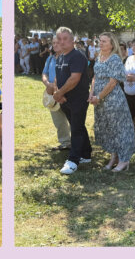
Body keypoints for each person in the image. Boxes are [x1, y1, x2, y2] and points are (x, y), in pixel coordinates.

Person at [89, 32, 135, 172]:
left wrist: (99, 96)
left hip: (113, 100)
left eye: (104, 41)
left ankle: (124, 160)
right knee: (109, 129)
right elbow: (95, 77)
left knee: (119, 129)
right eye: (100, 41)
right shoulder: (99, 57)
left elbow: (112, 82)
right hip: (100, 100)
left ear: (112, 44)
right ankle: (114, 157)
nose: (100, 43)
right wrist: (91, 94)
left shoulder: (114, 58)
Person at [51, 27, 94, 174]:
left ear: (72, 40)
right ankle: (86, 154)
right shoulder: (60, 57)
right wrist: (58, 93)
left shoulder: (77, 56)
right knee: (78, 126)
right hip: (64, 100)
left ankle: (73, 160)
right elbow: (58, 77)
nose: (62, 42)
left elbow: (74, 79)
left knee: (75, 129)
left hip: (78, 99)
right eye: (59, 39)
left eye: (65, 39)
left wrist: (59, 93)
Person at [42, 52, 72, 152]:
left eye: (57, 42)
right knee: (58, 120)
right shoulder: (50, 58)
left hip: (67, 91)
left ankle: (76, 142)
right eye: (53, 43)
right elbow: (44, 73)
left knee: (73, 119)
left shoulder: (70, 57)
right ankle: (65, 143)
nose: (55, 45)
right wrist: (48, 84)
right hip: (52, 93)